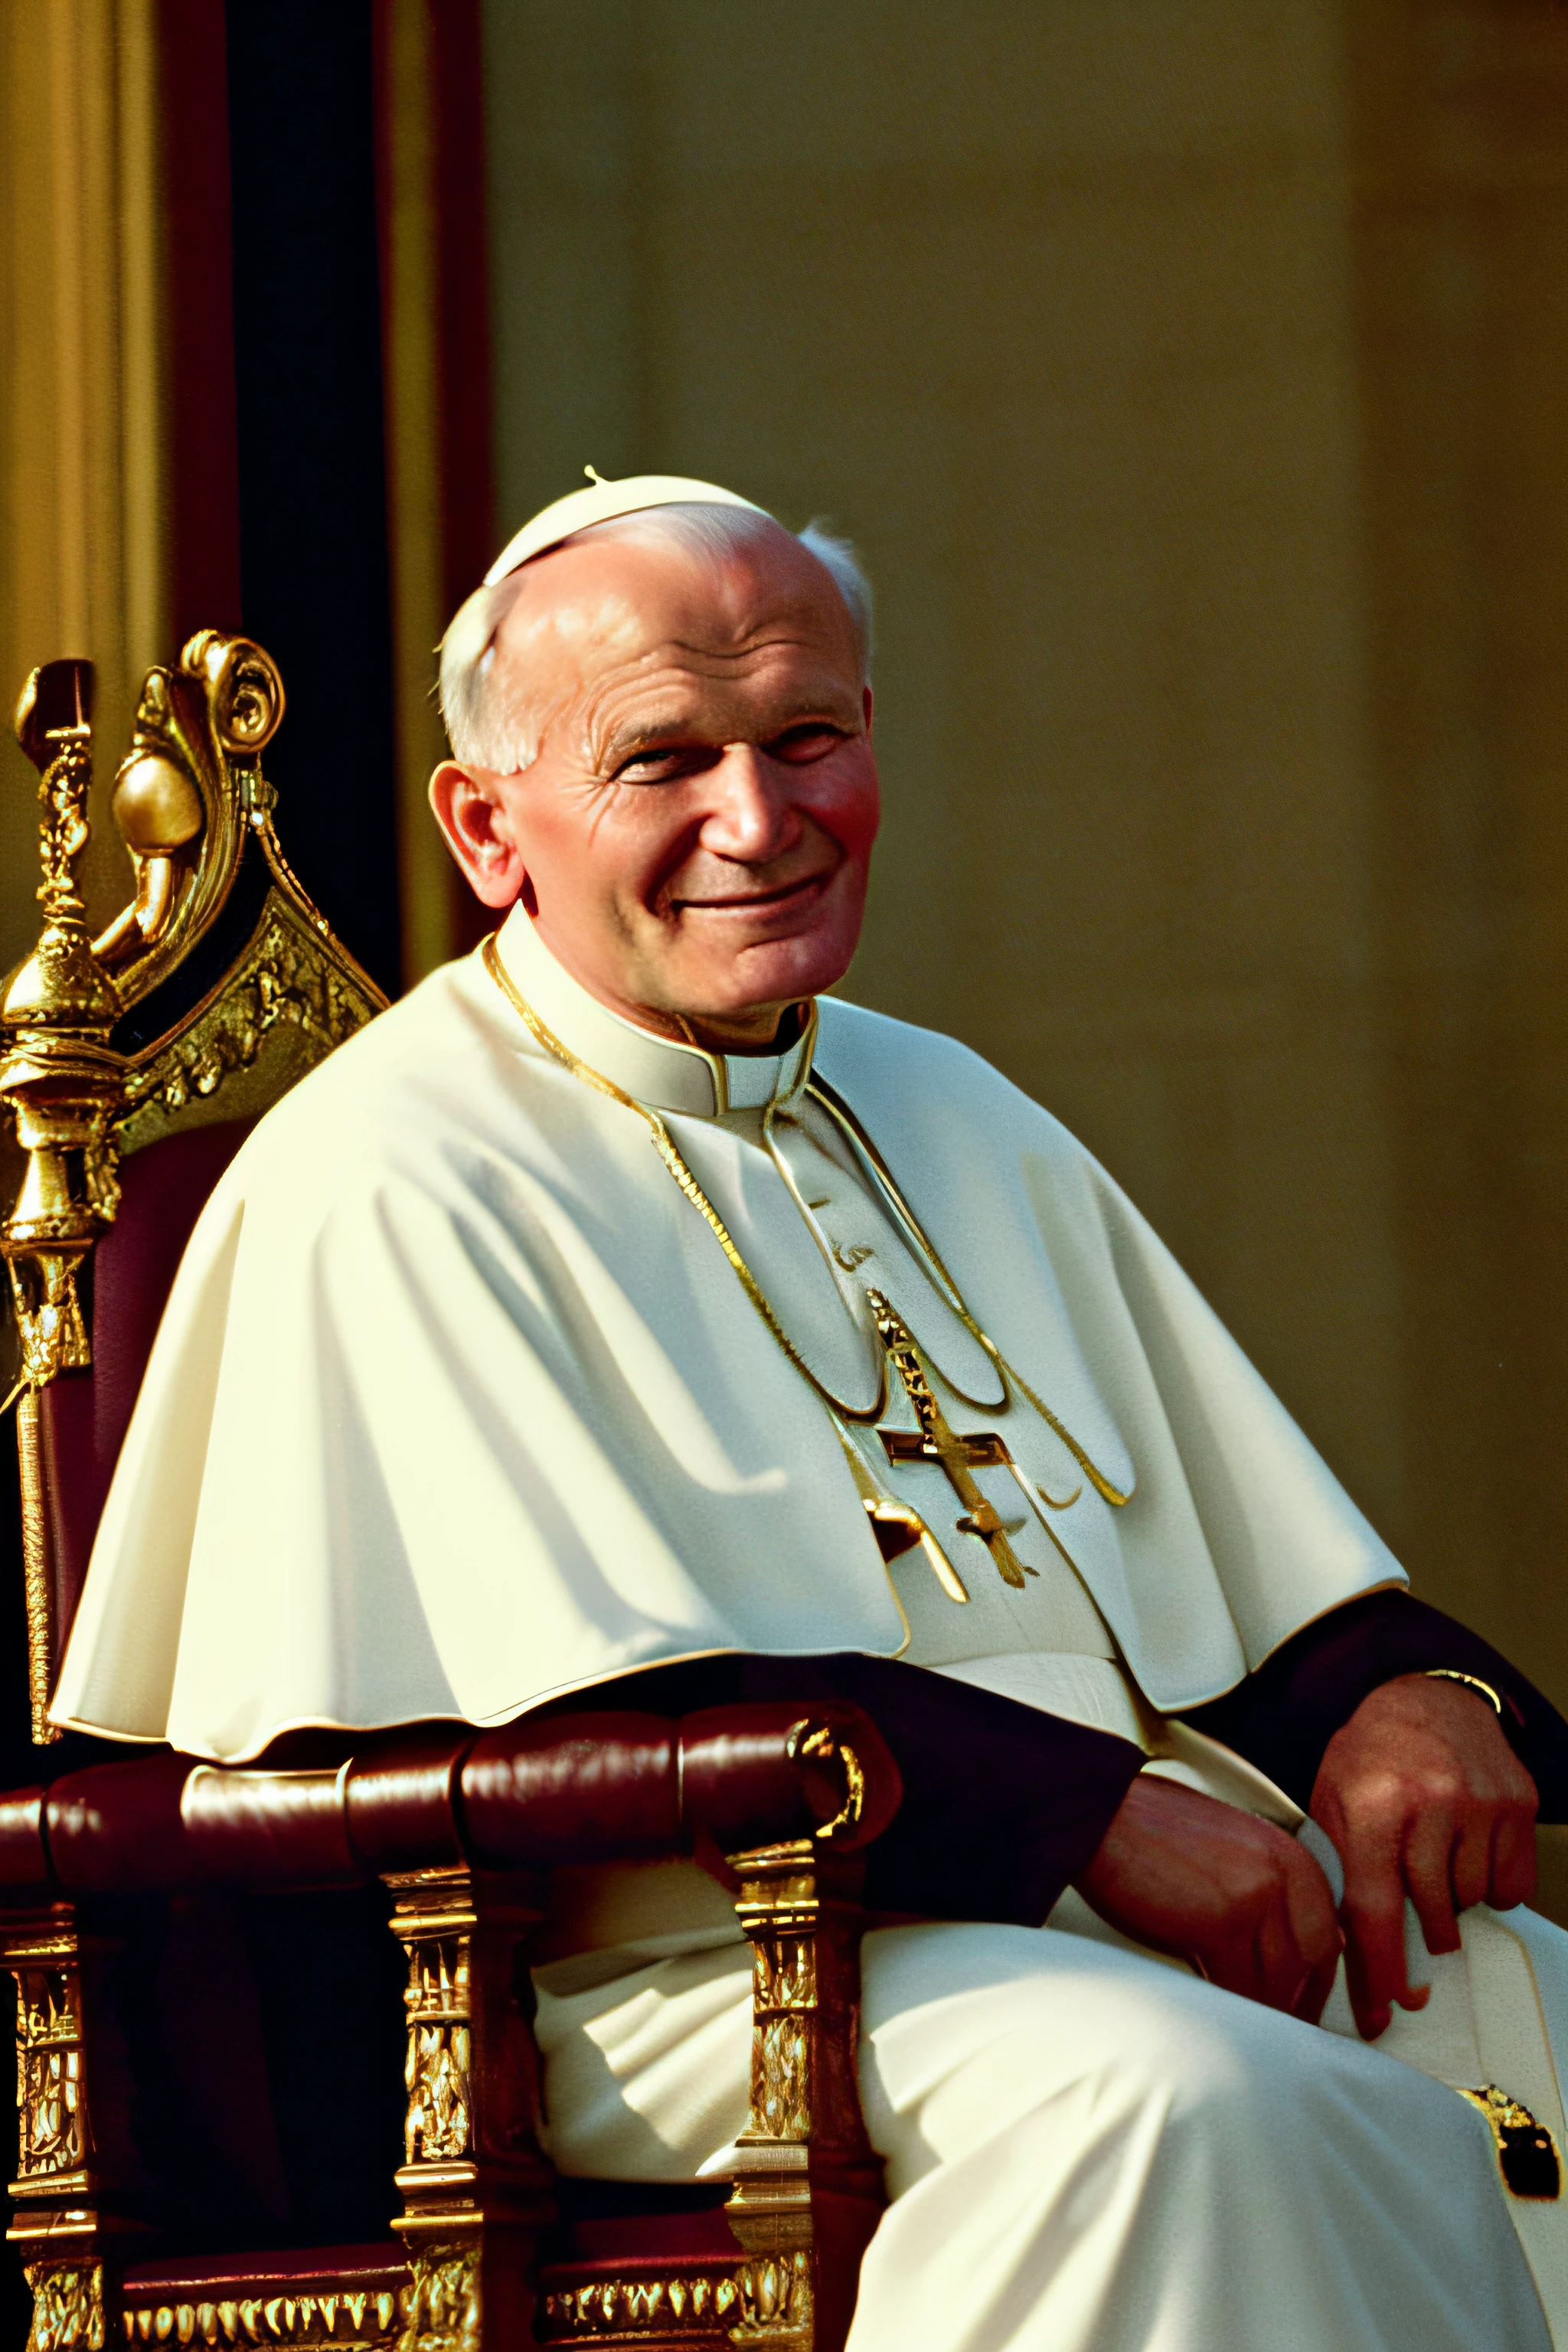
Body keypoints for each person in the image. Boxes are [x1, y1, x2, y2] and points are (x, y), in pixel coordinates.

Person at [52, 471, 1568, 2350]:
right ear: (487, 825)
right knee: (1179, 2109)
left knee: (1533, 2015)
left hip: (1070, 1922)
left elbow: (1234, 1568)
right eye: (663, 760)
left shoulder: (948, 1107)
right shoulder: (389, 1173)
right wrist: (1082, 1812)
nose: (757, 819)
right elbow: (563, 1714)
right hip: (658, 1985)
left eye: (807, 738)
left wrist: (1408, 1701)